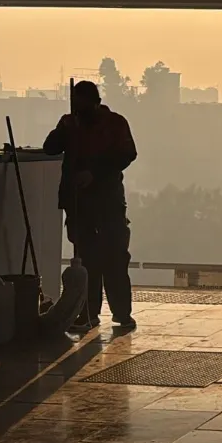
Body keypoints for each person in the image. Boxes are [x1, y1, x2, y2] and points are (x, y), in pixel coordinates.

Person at [43, 81, 138, 331]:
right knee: (85, 261)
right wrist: (63, 128)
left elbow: (126, 154)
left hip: (108, 201)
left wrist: (93, 173)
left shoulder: (115, 124)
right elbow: (50, 148)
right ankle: (87, 314)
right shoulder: (71, 125)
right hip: (80, 204)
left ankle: (122, 314)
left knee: (114, 258)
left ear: (95, 101)